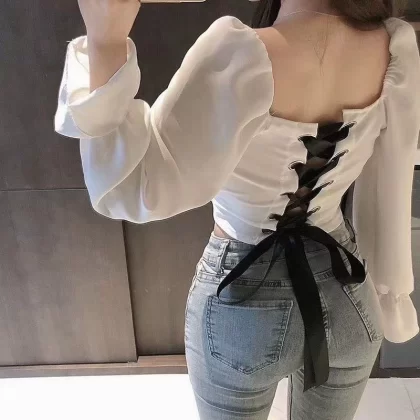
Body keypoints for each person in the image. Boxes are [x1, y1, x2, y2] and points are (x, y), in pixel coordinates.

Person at [55, 0, 420, 418]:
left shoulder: (240, 53)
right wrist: (392, 290)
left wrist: (105, 42)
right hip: (348, 295)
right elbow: (393, 180)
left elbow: (130, 186)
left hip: (241, 299)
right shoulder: (394, 47)